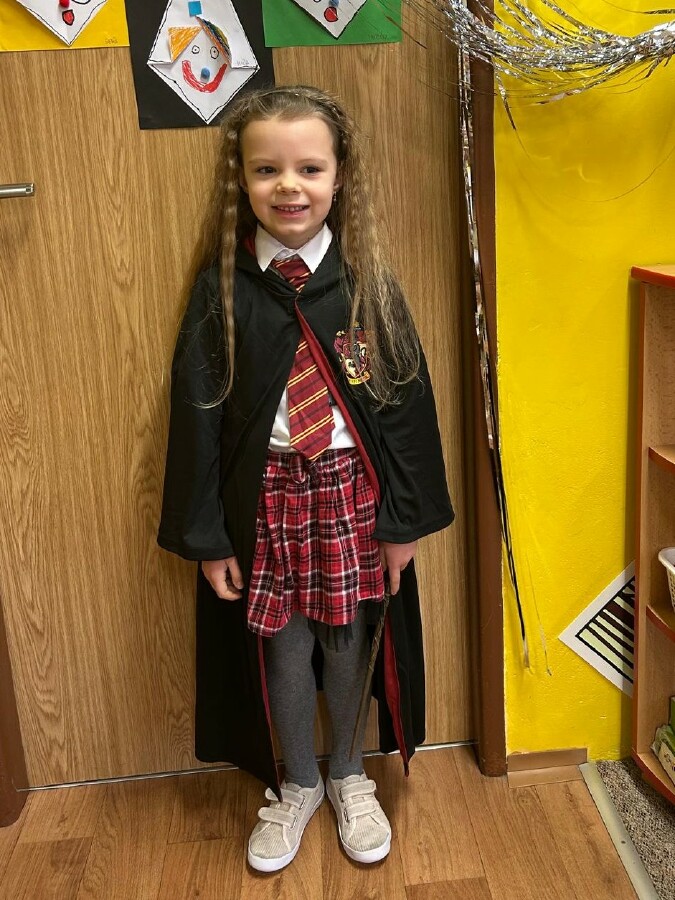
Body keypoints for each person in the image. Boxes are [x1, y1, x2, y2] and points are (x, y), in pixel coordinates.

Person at [158, 84, 454, 873]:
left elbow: (407, 414)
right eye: (267, 170)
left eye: (309, 168)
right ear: (241, 179)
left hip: (351, 498)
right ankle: (298, 783)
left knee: (348, 641)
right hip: (265, 502)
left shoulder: (365, 286)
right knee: (283, 649)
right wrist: (207, 536)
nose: (288, 187)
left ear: (339, 175)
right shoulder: (223, 290)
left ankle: (350, 775)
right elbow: (196, 418)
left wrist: (403, 524)